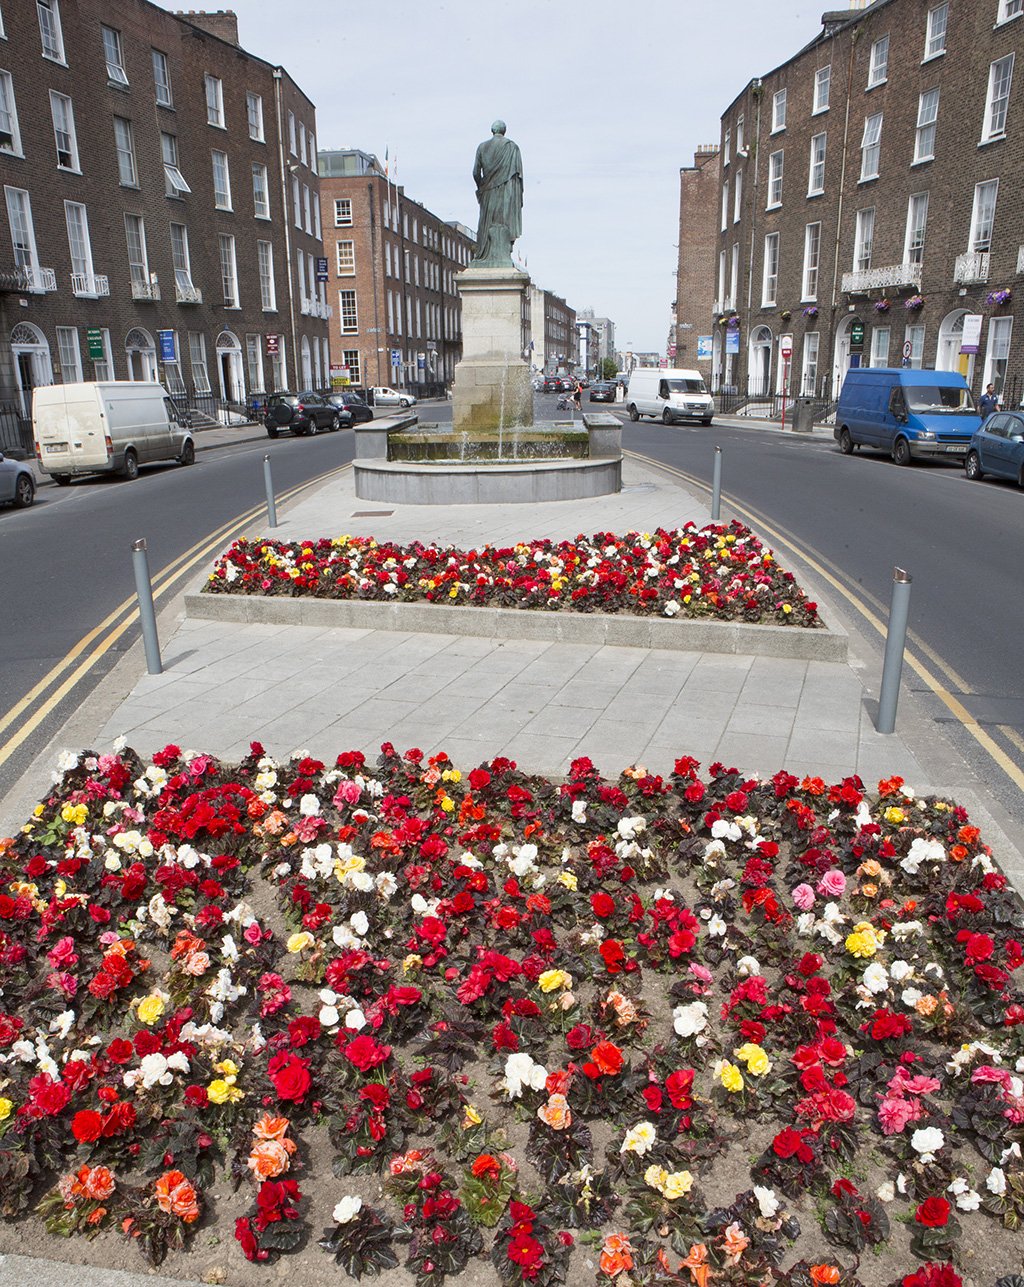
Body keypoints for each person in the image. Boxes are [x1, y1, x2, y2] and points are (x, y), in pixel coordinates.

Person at [471, 121, 523, 268]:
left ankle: (484, 253)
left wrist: (481, 187)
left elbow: (475, 172)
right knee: (502, 223)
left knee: (485, 224)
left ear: (492, 131)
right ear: (504, 131)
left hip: (487, 192)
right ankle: (502, 254)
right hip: (505, 191)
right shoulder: (512, 147)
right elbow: (516, 178)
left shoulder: (482, 147)